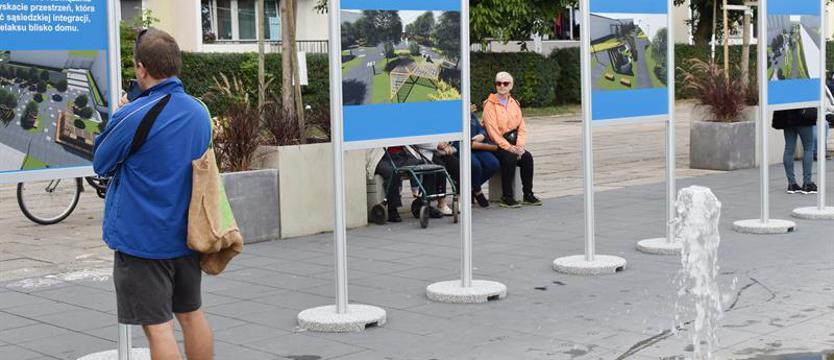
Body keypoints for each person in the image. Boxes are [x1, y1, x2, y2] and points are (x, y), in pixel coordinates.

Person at [92, 28, 214, 359]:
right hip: (187, 236)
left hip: (143, 240)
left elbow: (101, 162)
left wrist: (119, 115)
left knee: (158, 328)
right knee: (191, 315)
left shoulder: (133, 114)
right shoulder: (199, 111)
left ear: (141, 68)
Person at [482, 71, 541, 208]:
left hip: (513, 142)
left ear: (511, 86)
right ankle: (507, 196)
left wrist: (519, 146)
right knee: (509, 158)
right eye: (498, 83)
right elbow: (492, 132)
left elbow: (521, 127)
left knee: (527, 158)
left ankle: (528, 194)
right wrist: (508, 147)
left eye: (505, 83)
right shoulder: (489, 105)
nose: (502, 86)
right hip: (496, 145)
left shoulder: (514, 103)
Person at [368, 146, 424, 222]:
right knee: (392, 172)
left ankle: (425, 202)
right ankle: (392, 210)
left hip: (401, 155)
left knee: (424, 165)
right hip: (382, 158)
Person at [772, 108, 817, 194]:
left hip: (787, 116)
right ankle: (807, 183)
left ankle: (791, 184)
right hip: (803, 116)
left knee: (789, 148)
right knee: (808, 148)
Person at [469, 104, 500, 207]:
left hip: (478, 147)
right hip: (464, 148)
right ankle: (477, 191)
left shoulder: (471, 115)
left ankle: (471, 188)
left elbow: (481, 128)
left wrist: (481, 135)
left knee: (493, 164)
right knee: (475, 165)